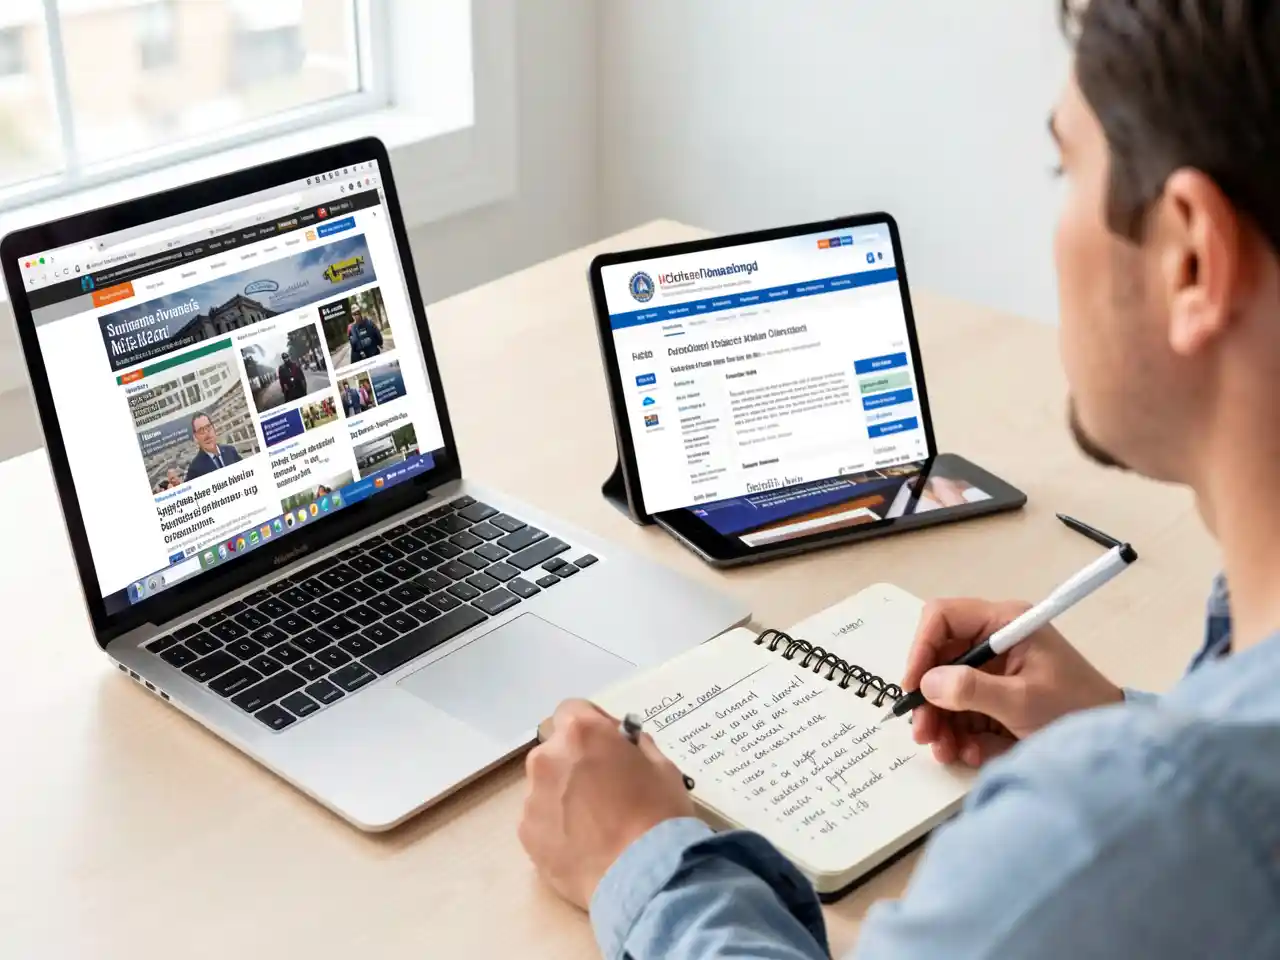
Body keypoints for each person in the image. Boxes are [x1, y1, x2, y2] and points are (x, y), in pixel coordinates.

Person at [518, 3, 1280, 957]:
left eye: (1064, 169)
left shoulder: (1105, 843)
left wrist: (635, 854)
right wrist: (1116, 718)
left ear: (1193, 258)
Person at [185, 411, 243, 481]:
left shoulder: (231, 451)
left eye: (208, 427)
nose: (207, 434)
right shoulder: (194, 470)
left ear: (214, 428)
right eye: (201, 430)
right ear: (196, 437)